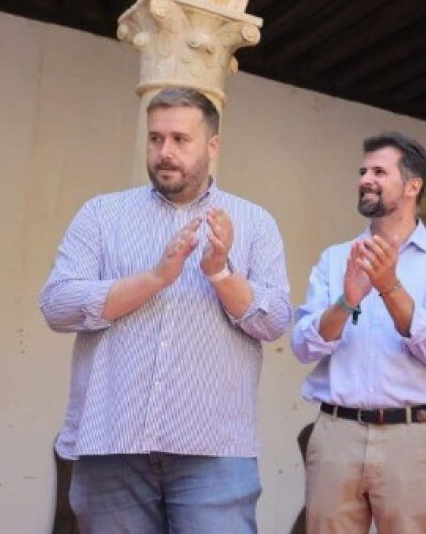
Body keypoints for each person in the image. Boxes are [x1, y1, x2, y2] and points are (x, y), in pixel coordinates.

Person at [39, 87, 293, 533]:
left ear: (212, 146)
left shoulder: (255, 224)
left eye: (180, 139)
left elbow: (274, 322)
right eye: (155, 139)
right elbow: (57, 306)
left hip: (213, 450)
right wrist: (154, 279)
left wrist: (220, 274)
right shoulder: (102, 215)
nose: (164, 152)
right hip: (110, 442)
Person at [290, 132, 426, 534]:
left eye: (379, 171)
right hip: (336, 433)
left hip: (409, 439)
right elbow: (303, 346)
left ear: (413, 186)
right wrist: (347, 300)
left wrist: (390, 286)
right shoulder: (335, 258)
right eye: (362, 171)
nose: (365, 179)